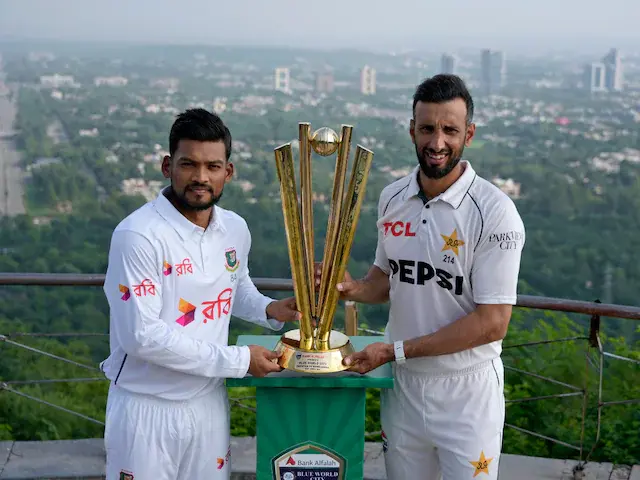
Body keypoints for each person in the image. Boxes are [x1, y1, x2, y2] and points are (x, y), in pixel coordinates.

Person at [331, 74, 525, 479]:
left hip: (466, 393)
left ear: (468, 134)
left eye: (450, 130)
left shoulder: (494, 211)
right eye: (427, 129)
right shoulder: (392, 197)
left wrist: (393, 351)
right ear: (412, 131)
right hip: (403, 388)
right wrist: (349, 288)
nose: (437, 143)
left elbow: (493, 323)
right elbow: (386, 280)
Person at [100, 108, 301, 480]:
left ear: (229, 171)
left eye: (212, 166)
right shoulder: (138, 235)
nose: (200, 177)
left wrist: (272, 308)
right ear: (166, 165)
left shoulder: (235, 229)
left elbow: (234, 287)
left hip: (208, 403)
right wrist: (239, 361)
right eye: (188, 164)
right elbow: (141, 337)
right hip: (147, 407)